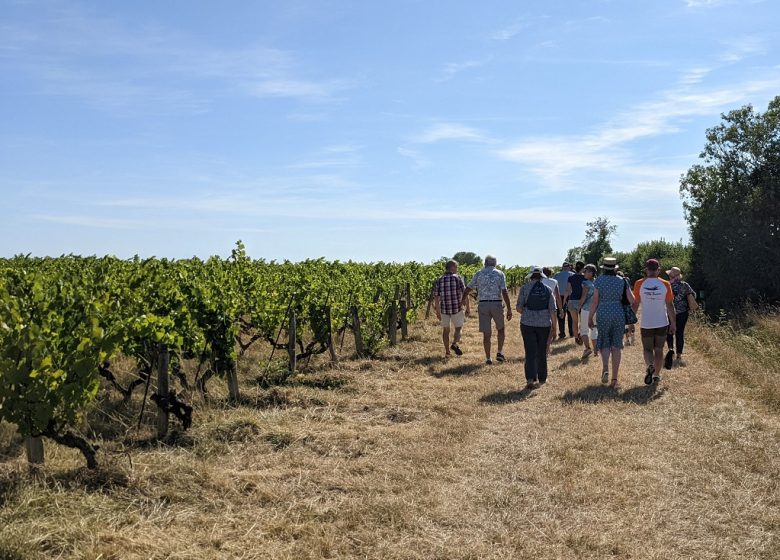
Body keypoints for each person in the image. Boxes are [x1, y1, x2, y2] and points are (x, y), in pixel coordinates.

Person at [589, 257, 634, 387]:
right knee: (616, 345)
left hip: (603, 311)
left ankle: (605, 368)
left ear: (604, 268)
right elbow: (632, 300)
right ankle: (614, 379)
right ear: (615, 268)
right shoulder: (622, 281)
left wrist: (590, 317)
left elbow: (595, 301)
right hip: (618, 312)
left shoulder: (599, 280)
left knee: (604, 342)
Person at [462, 255, 512, 364]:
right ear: (495, 263)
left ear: (485, 263)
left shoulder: (479, 273)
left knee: (486, 333)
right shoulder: (500, 274)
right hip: (496, 304)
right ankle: (499, 351)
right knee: (501, 329)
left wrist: (463, 300)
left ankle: (488, 358)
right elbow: (504, 291)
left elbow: (468, 288)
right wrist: (509, 308)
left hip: (483, 305)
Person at [632, 259, 676, 384]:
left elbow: (635, 304)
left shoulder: (639, 284)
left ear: (646, 270)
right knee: (659, 349)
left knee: (647, 349)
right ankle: (656, 374)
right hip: (662, 322)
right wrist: (673, 323)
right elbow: (670, 305)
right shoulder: (666, 284)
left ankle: (650, 365)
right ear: (658, 270)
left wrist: (630, 322)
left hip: (647, 323)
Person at [516, 266, 557, 388]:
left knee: (530, 351)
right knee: (542, 351)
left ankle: (530, 378)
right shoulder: (548, 289)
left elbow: (518, 308)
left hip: (527, 324)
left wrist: (527, 313)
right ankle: (542, 378)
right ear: (542, 277)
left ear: (531, 276)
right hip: (544, 324)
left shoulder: (524, 288)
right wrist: (554, 327)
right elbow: (553, 310)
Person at [433, 259, 469, 358]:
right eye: (456, 267)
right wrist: (468, 307)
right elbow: (465, 293)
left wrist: (437, 311)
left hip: (444, 309)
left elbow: (436, 296)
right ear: (452, 267)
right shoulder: (458, 278)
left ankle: (447, 352)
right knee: (458, 328)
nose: (457, 269)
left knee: (446, 330)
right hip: (456, 308)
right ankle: (455, 343)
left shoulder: (439, 279)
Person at [665, 266, 696, 366]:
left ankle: (670, 349)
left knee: (669, 332)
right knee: (680, 333)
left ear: (670, 276)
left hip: (670, 312)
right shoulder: (685, 285)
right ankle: (679, 354)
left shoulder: (667, 285)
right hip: (683, 312)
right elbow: (693, 295)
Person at [578, 264, 598, 360]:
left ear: (591, 273)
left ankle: (587, 348)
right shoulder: (598, 282)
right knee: (594, 330)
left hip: (586, 309)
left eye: (585, 271)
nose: (584, 273)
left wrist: (579, 306)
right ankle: (596, 351)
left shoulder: (585, 283)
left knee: (584, 330)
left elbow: (584, 296)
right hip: (596, 309)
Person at [564, 261, 586, 345]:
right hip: (582, 301)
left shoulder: (571, 278)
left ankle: (576, 337)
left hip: (572, 300)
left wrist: (564, 301)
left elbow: (567, 290)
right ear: (583, 268)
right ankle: (581, 334)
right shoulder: (585, 278)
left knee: (574, 321)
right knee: (583, 321)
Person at [552, 263, 574, 339]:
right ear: (569, 267)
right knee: (571, 314)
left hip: (559, 296)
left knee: (561, 314)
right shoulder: (572, 274)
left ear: (562, 267)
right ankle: (571, 332)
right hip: (569, 296)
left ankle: (562, 333)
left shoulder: (557, 275)